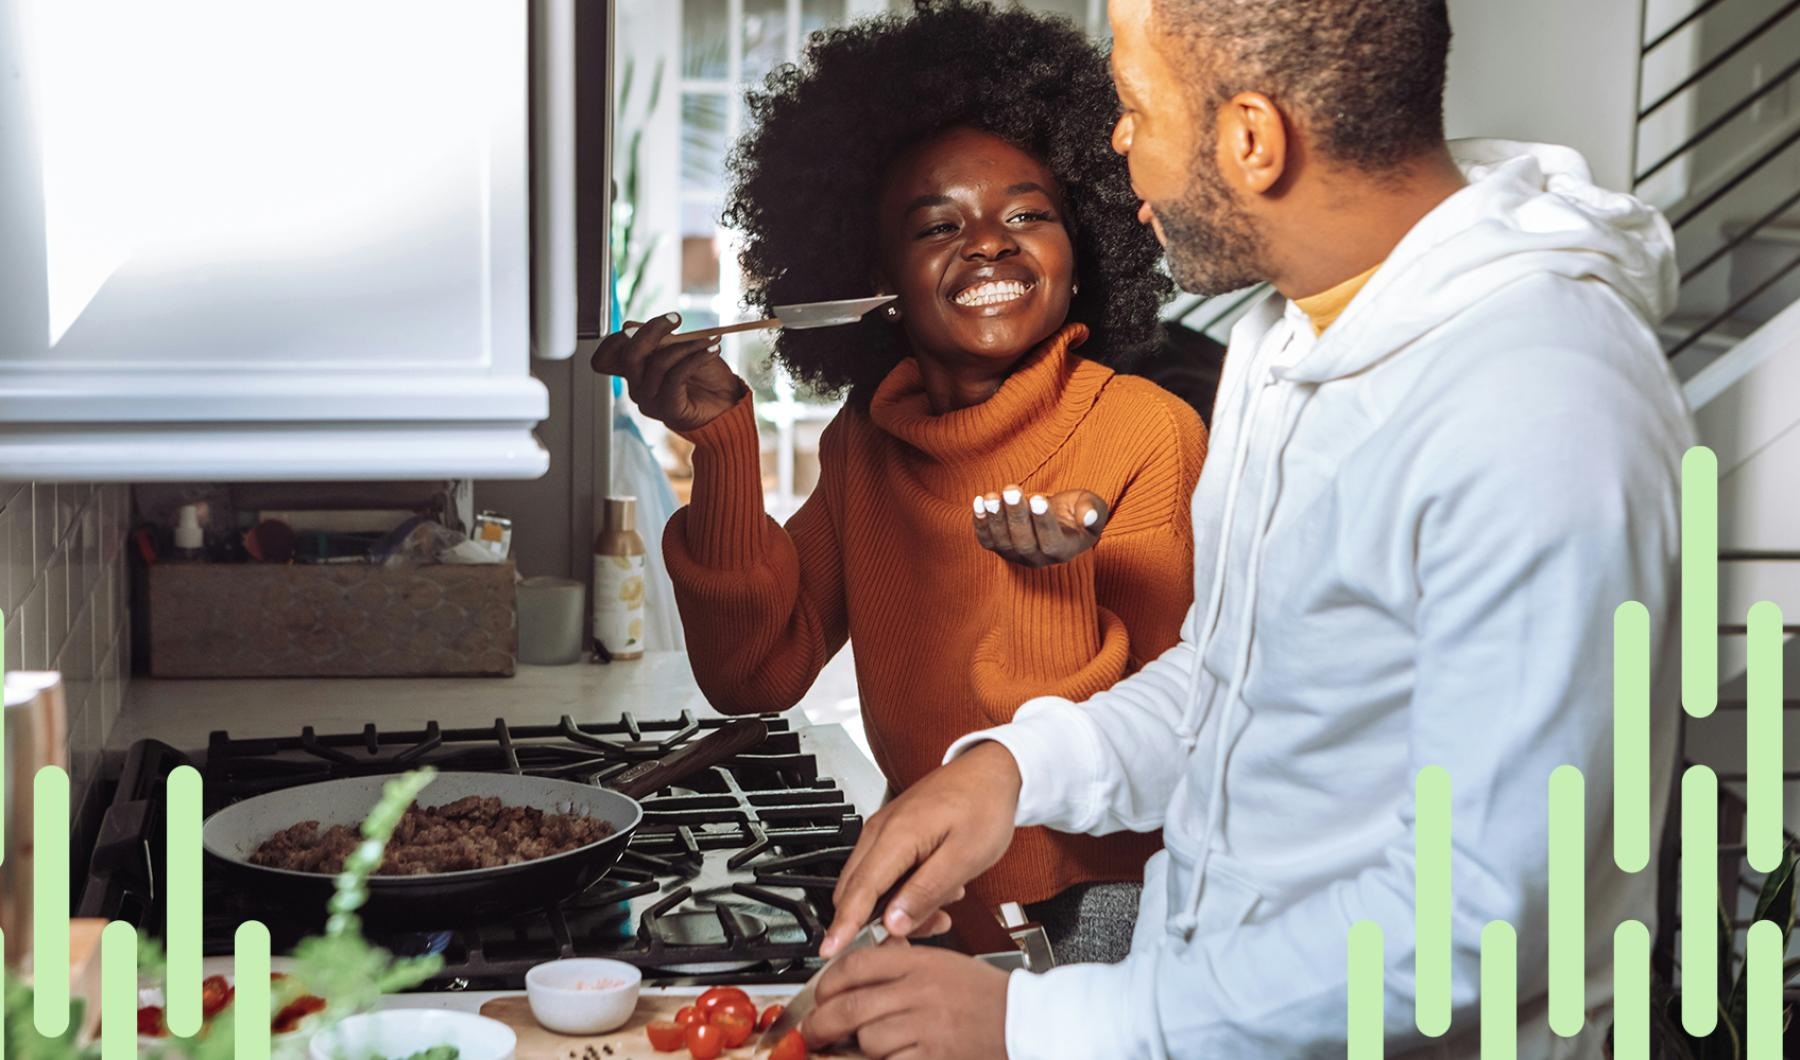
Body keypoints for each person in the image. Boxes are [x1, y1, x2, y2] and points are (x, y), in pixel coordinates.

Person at [806, 0, 1696, 1056]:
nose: (1117, 145)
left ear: (1252, 141)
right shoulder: (1290, 338)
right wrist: (1016, 766)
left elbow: (1476, 923)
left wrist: (1039, 1023)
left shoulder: (1541, 405)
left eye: (1135, 108)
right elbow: (1242, 681)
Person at [590, 1, 1208, 964]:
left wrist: (1048, 581)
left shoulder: (1146, 433)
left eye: (1028, 214)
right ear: (874, 275)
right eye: (938, 224)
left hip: (1105, 921)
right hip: (933, 904)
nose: (991, 242)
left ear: (1083, 248)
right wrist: (721, 446)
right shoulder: (868, 445)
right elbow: (755, 673)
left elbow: (1176, 742)